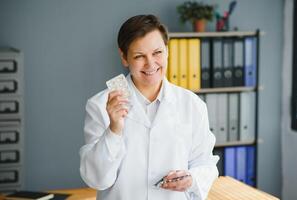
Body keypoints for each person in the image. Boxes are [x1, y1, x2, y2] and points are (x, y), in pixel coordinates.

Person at [79, 14, 219, 200]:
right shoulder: (99, 105)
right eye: (139, 56)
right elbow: (96, 180)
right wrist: (113, 130)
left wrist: (191, 179)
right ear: (124, 57)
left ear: (167, 51)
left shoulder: (192, 105)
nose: (151, 64)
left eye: (157, 53)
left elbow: (205, 163)